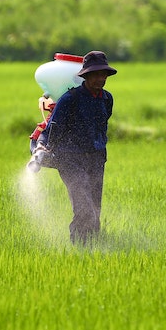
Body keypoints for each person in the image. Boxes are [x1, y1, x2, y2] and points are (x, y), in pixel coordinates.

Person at [35, 50, 116, 244]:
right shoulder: (70, 99)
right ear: (86, 76)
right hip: (70, 159)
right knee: (84, 207)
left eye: (103, 74)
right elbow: (52, 127)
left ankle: (94, 246)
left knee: (95, 208)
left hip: (96, 158)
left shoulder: (107, 99)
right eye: (96, 74)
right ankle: (79, 247)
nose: (101, 78)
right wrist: (42, 147)